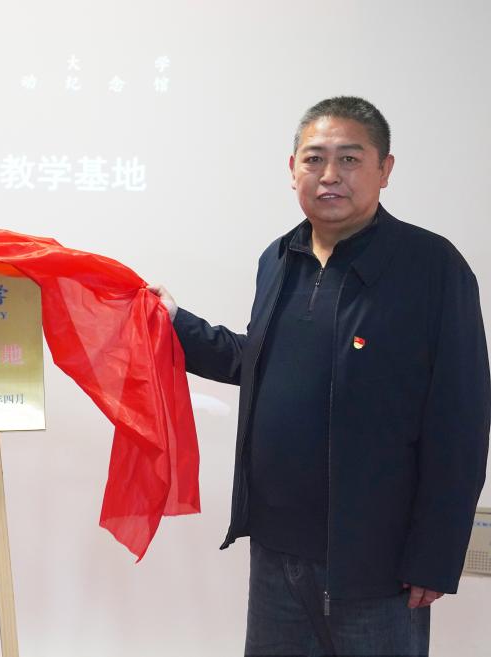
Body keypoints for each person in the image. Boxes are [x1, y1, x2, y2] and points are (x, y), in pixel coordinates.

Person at [152, 97, 490, 656]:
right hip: (276, 548)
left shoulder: (432, 266)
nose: (330, 175)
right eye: (314, 159)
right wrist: (174, 324)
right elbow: (258, 360)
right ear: (293, 170)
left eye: (350, 159)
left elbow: (462, 417)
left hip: (377, 560)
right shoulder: (278, 257)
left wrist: (435, 553)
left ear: (385, 169)